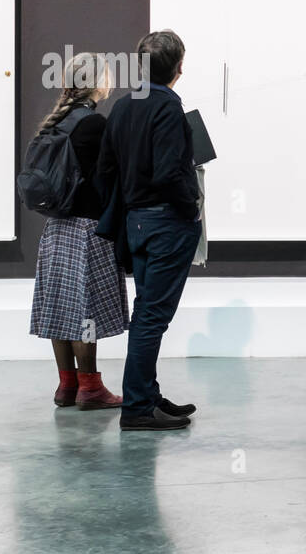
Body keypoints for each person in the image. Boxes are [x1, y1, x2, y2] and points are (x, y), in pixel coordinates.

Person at [95, 30, 201, 431]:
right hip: (166, 224)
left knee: (146, 312)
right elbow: (170, 172)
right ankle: (138, 406)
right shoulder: (168, 109)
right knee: (151, 317)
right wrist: (191, 205)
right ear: (178, 68)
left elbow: (105, 171)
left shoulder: (123, 107)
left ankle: (147, 394)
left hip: (136, 223)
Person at [29, 53, 129, 409]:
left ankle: (66, 385)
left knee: (60, 307)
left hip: (56, 229)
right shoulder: (93, 125)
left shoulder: (54, 123)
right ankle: (90, 387)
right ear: (97, 83)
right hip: (87, 229)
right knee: (84, 311)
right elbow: (111, 176)